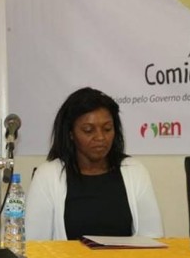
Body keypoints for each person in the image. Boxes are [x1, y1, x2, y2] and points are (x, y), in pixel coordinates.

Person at [26, 87, 163, 240]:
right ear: (70, 133)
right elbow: (35, 246)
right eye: (88, 130)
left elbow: (153, 240)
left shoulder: (135, 171)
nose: (100, 137)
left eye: (107, 129)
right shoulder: (48, 176)